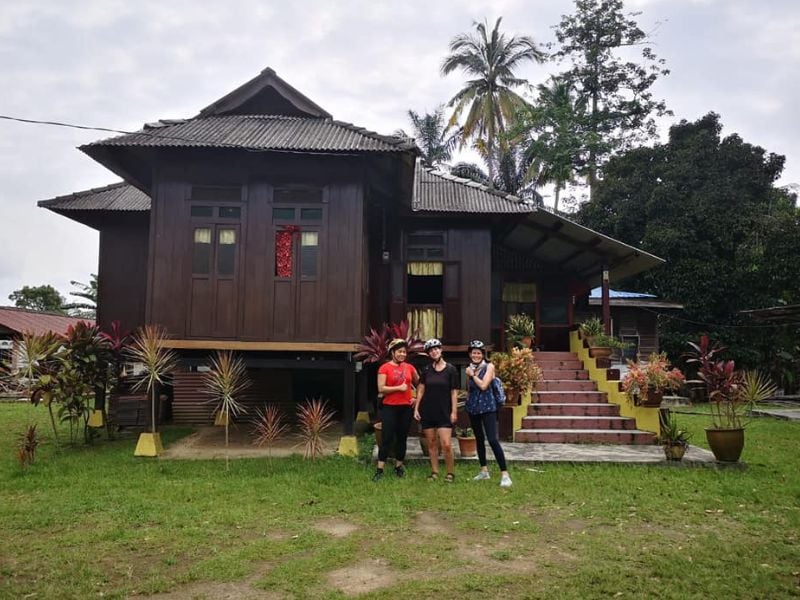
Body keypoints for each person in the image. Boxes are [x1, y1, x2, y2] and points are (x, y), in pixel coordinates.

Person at [464, 340, 512, 488]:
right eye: (474, 353)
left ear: (483, 354)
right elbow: (470, 389)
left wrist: (472, 376)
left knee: (492, 439)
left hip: (488, 408)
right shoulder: (469, 369)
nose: (476, 355)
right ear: (470, 354)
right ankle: (483, 470)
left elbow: (484, 386)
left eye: (479, 353)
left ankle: (505, 474)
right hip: (473, 408)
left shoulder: (489, 367)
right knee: (479, 439)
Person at [414, 338, 459, 482]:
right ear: (429, 354)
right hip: (428, 411)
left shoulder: (451, 369)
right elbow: (420, 390)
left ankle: (450, 472)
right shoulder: (426, 370)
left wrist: (454, 411)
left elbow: (454, 392)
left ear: (441, 350)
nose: (434, 352)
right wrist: (416, 408)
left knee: (446, 444)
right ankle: (434, 472)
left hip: (444, 411)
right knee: (432, 444)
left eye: (436, 349)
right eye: (431, 350)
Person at [373, 338, 419, 481]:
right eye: (399, 351)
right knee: (387, 438)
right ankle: (380, 469)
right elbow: (381, 388)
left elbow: (420, 383)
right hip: (389, 407)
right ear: (392, 352)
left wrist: (416, 397)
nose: (402, 354)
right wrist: (398, 388)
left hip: (405, 408)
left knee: (402, 438)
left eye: (404, 352)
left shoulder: (410, 368)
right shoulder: (384, 368)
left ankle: (399, 466)